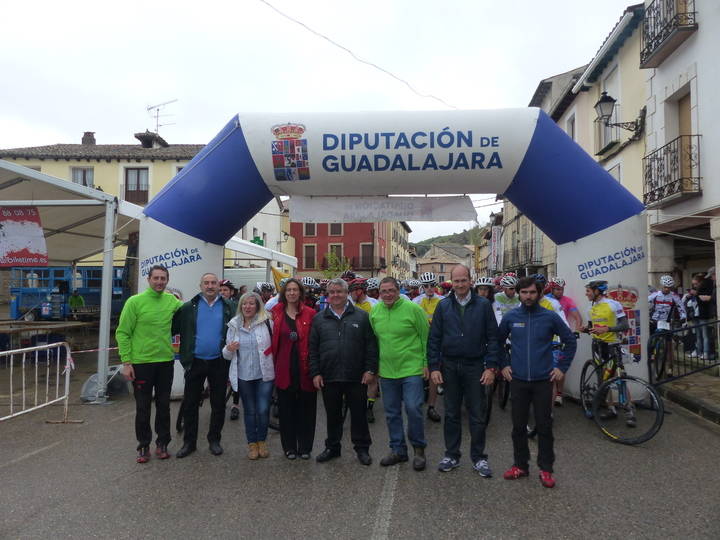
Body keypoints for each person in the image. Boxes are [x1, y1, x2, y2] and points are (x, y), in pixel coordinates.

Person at [498, 276, 576, 488]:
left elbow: (569, 342)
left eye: (532, 292)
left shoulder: (550, 317)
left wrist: (561, 368)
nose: (528, 296)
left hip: (543, 380)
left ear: (539, 293)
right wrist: (504, 364)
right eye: (524, 293)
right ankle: (520, 465)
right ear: (519, 294)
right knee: (518, 427)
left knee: (544, 426)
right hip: (518, 380)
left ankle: (546, 469)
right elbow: (496, 343)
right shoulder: (511, 316)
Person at [428, 265, 500, 477]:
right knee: (451, 413)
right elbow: (434, 339)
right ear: (452, 282)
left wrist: (491, 367)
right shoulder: (443, 306)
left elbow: (493, 338)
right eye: (456, 281)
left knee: (477, 414)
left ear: (471, 281)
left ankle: (479, 458)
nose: (460, 284)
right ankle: (451, 455)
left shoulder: (483, 305)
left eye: (463, 280)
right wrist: (434, 367)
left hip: (475, 365)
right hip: (449, 366)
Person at [116, 265, 182, 463]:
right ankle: (143, 445)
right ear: (149, 279)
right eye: (156, 278)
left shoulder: (173, 301)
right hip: (141, 363)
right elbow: (123, 332)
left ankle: (162, 443)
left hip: (165, 362)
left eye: (163, 278)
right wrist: (126, 362)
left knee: (164, 406)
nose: (160, 282)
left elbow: (191, 315)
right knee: (143, 407)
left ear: (168, 281)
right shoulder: (135, 302)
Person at [310, 278, 378, 466]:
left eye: (339, 291)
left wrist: (370, 369)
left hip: (356, 375)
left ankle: (362, 449)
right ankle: (333, 447)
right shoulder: (319, 319)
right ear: (327, 295)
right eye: (332, 292)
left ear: (347, 293)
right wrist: (315, 373)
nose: (335, 295)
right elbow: (313, 349)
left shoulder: (361, 316)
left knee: (359, 415)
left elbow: (371, 346)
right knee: (332, 415)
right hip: (329, 375)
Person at [369, 277, 429, 471]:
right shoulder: (375, 311)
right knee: (392, 413)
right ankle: (398, 450)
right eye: (383, 291)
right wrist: (374, 368)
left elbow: (426, 337)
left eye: (391, 290)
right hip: (386, 371)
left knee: (413, 408)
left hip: (411, 368)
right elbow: (373, 342)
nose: (387, 294)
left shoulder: (413, 309)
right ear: (379, 292)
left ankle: (419, 450)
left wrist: (427, 363)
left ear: (398, 290)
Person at [173, 273, 235, 458]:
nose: (210, 286)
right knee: (191, 404)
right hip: (195, 362)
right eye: (206, 283)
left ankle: (214, 440)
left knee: (218, 404)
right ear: (200, 285)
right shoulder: (188, 308)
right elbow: (172, 328)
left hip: (219, 361)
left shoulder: (229, 306)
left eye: (213, 283)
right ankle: (189, 443)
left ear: (218, 286)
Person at [223, 292, 275, 460]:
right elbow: (226, 354)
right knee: (250, 411)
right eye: (245, 304)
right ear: (240, 306)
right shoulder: (233, 325)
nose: (248, 307)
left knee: (263, 409)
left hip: (264, 374)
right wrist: (229, 349)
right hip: (244, 375)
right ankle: (252, 443)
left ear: (258, 306)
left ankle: (262, 441)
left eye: (252, 304)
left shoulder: (267, 322)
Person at [269, 278, 317, 459]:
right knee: (286, 410)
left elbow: (315, 342)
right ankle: (289, 447)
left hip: (305, 368)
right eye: (288, 290)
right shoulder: (275, 312)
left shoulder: (311, 314)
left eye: (295, 290)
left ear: (300, 292)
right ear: (284, 293)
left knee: (307, 410)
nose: (291, 293)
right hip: (284, 368)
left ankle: (305, 447)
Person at [580, 280, 633, 425]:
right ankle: (610, 409)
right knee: (602, 379)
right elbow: (592, 327)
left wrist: (607, 329)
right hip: (597, 346)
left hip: (612, 345)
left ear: (597, 291)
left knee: (617, 376)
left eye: (588, 291)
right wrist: (584, 329)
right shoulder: (590, 309)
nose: (586, 294)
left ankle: (629, 410)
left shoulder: (613, 304)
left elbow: (624, 325)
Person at [414, 271, 445, 423]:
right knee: (419, 372)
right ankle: (417, 404)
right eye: (426, 286)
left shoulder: (443, 301)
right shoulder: (416, 301)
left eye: (432, 285)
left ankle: (432, 407)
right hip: (419, 341)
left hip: (437, 341)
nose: (429, 288)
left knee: (434, 371)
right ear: (422, 287)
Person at [546, 277, 582, 405]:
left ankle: (559, 394)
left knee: (559, 367)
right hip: (545, 337)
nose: (560, 291)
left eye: (561, 289)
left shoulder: (567, 301)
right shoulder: (545, 300)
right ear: (551, 288)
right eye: (557, 289)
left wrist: (576, 330)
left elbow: (577, 317)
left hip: (560, 336)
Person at [695, 267, 715, 360]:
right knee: (701, 335)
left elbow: (710, 299)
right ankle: (701, 352)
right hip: (701, 315)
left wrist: (709, 298)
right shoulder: (708, 285)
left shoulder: (708, 286)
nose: (712, 278)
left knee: (705, 335)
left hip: (705, 314)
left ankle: (706, 353)